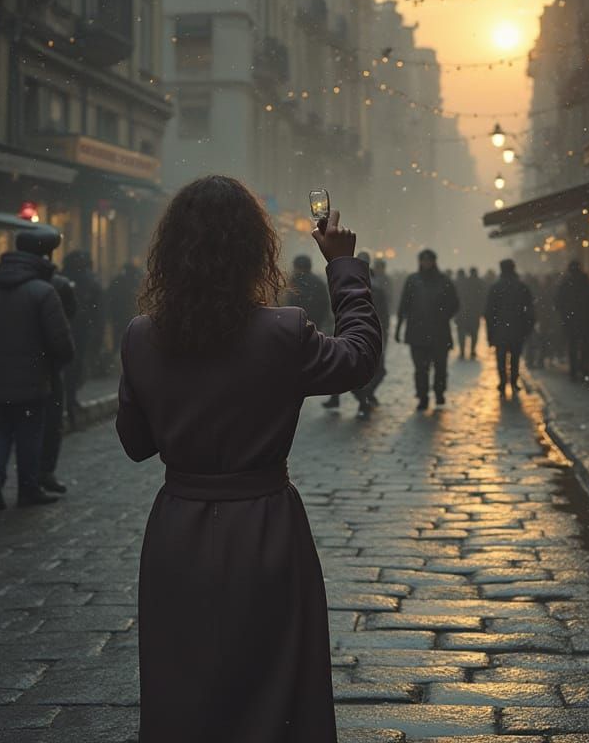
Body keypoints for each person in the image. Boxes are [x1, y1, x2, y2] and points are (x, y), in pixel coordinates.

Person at [116, 176, 381, 742]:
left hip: (179, 531)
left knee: (183, 682)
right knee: (274, 678)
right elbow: (359, 360)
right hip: (265, 527)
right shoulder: (283, 331)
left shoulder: (142, 336)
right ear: (252, 253)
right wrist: (344, 268)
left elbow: (136, 443)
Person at [0, 228, 75, 510]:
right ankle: (28, 488)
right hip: (34, 377)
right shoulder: (43, 292)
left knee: (2, 430)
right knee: (30, 432)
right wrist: (58, 364)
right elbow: (61, 341)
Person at [9, 230, 78, 495]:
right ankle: (42, 472)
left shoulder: (2, 283)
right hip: (46, 365)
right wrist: (64, 355)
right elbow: (66, 324)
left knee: (9, 427)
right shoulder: (57, 285)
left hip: (14, 363)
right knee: (46, 422)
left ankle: (2, 478)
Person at [396, 249, 459, 411]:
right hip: (418, 333)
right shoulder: (413, 281)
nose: (426, 263)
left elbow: (454, 303)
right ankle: (422, 396)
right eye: (424, 260)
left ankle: (439, 393)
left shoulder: (443, 281)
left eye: (429, 260)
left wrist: (442, 315)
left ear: (433, 261)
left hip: (439, 333)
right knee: (421, 369)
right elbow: (404, 305)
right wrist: (398, 328)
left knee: (440, 367)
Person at [285, 254, 341, 410]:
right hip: (316, 328)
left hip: (294, 329)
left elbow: (287, 304)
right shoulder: (318, 283)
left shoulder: (294, 282)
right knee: (325, 363)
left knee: (294, 363)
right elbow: (325, 305)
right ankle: (335, 394)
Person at [62, 250, 104, 428]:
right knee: (75, 367)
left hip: (66, 329)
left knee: (68, 367)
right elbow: (98, 309)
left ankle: (68, 401)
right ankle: (70, 401)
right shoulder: (89, 280)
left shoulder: (62, 278)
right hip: (80, 330)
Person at [484, 259, 535, 400]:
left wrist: (490, 333)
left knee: (501, 359)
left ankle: (502, 382)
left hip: (500, 330)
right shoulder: (521, 287)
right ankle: (513, 381)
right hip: (517, 329)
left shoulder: (495, 287)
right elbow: (529, 310)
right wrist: (527, 328)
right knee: (515, 358)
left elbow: (489, 312)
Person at [350, 250, 388, 418]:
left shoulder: (346, 283)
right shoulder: (375, 286)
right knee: (374, 370)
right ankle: (365, 398)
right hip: (367, 332)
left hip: (356, 331)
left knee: (357, 370)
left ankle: (364, 398)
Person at [556, 260, 589, 382]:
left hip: (571, 321)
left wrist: (564, 316)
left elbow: (558, 302)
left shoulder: (565, 284)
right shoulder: (587, 283)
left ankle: (574, 371)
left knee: (572, 346)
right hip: (586, 320)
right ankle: (585, 369)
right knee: (585, 346)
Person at [107, 261, 142, 357]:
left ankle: (119, 359)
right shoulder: (137, 281)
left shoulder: (118, 281)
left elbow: (109, 299)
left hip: (119, 317)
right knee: (133, 342)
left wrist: (110, 314)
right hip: (133, 317)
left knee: (119, 340)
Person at [456, 267, 485, 360]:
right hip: (474, 313)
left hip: (462, 312)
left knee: (462, 334)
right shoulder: (479, 283)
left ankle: (462, 351)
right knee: (474, 334)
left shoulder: (462, 283)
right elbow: (483, 298)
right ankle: (472, 351)